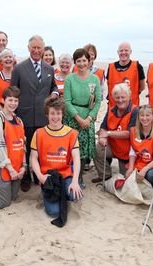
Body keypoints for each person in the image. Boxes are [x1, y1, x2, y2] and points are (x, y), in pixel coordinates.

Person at [11, 35, 58, 192]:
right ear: (28, 48)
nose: (37, 50)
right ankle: (25, 177)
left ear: (43, 49)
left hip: (43, 117)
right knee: (25, 149)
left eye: (39, 48)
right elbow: (13, 92)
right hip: (25, 116)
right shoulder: (19, 68)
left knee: (41, 149)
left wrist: (55, 94)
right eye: (34, 47)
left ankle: (39, 175)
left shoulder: (49, 68)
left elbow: (54, 87)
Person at [30, 97, 83, 217]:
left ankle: (67, 189)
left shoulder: (72, 133)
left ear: (62, 114)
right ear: (47, 114)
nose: (55, 117)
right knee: (54, 213)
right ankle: (48, 194)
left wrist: (75, 182)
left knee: (74, 195)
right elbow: (33, 158)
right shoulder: (39, 133)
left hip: (65, 173)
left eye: (58, 113)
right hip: (49, 176)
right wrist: (40, 177)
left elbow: (76, 159)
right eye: (52, 113)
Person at [64, 48, 102, 187]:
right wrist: (79, 119)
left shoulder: (95, 79)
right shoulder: (70, 78)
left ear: (89, 61)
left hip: (88, 117)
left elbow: (98, 101)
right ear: (75, 62)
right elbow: (67, 101)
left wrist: (89, 118)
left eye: (84, 60)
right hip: (72, 118)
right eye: (78, 60)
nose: (81, 63)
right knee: (74, 150)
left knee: (85, 151)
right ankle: (75, 178)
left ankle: (79, 176)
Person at [93, 83, 138, 183]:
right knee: (97, 148)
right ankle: (105, 175)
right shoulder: (111, 110)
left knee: (126, 178)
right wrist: (102, 138)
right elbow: (103, 128)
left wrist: (108, 134)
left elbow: (129, 133)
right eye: (117, 97)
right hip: (113, 146)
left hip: (128, 152)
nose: (120, 100)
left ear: (129, 96)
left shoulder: (135, 111)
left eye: (123, 97)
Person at [125, 105, 153, 185]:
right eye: (142, 115)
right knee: (127, 173)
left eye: (148, 115)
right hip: (139, 161)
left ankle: (151, 191)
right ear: (138, 117)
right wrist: (131, 168)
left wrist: (144, 169)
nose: (144, 118)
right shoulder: (134, 131)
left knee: (150, 175)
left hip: (152, 164)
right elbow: (133, 152)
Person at [106, 42, 145, 108]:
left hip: (132, 107)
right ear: (118, 52)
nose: (123, 53)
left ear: (130, 51)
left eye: (126, 50)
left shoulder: (137, 66)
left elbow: (142, 87)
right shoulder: (111, 67)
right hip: (114, 107)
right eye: (121, 50)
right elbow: (109, 85)